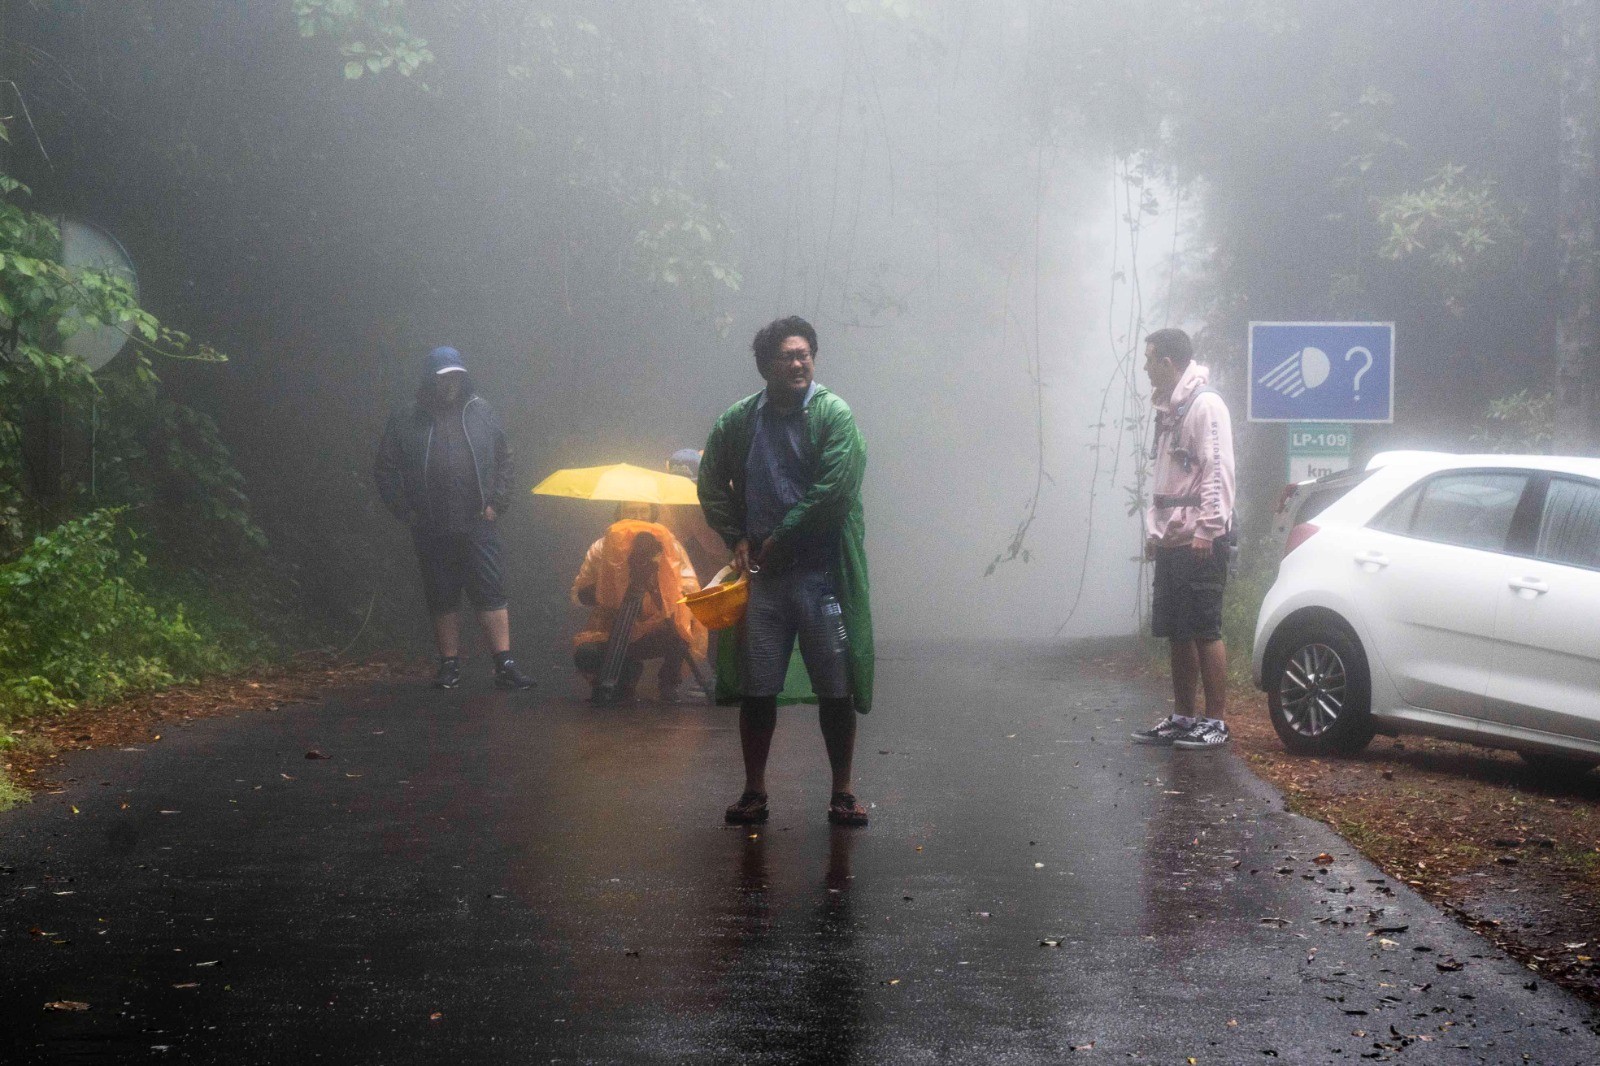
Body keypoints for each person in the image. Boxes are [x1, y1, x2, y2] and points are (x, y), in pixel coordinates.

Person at [699, 315, 875, 827]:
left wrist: (781, 536)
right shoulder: (740, 420)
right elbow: (711, 480)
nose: (798, 363)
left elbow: (835, 489)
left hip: (821, 577)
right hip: (764, 580)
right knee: (759, 688)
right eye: (787, 356)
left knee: (834, 687)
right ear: (765, 366)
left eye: (805, 354)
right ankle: (754, 791)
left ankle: (842, 792)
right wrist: (737, 535)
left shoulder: (832, 414)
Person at [374, 346, 536, 691]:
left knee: (490, 590)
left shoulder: (481, 411)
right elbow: (385, 467)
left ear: (464, 378)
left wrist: (497, 502)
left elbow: (505, 457)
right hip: (430, 523)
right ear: (430, 380)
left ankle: (504, 664)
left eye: (456, 377)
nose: (451, 384)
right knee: (441, 593)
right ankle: (449, 665)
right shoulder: (407, 417)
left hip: (478, 520)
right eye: (443, 378)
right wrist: (406, 510)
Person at [1130, 328, 1235, 749]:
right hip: (1174, 537)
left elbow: (1217, 468)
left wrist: (1209, 528)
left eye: (1150, 358)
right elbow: (1168, 476)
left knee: (1204, 628)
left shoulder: (1205, 405)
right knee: (1177, 629)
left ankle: (1216, 722)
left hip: (1200, 537)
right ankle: (1183, 717)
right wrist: (1155, 531)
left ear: (1169, 362)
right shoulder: (1170, 410)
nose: (1146, 367)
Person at [570, 502, 707, 703]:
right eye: (631, 511)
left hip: (657, 627)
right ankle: (624, 677)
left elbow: (689, 586)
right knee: (586, 654)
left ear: (652, 514)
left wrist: (662, 581)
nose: (638, 517)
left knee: (682, 633)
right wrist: (612, 583)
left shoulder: (669, 546)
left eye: (643, 511)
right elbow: (580, 593)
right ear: (619, 514)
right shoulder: (602, 548)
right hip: (613, 627)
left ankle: (668, 685)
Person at [662, 448, 729, 582]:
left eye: (692, 483)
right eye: (679, 484)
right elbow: (672, 536)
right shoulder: (671, 499)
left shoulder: (724, 489)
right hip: (700, 556)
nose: (686, 488)